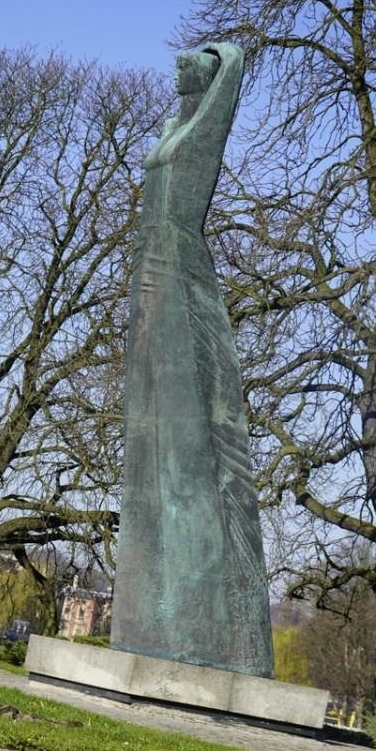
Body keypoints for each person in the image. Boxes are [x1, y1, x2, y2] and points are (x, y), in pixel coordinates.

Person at [110, 42, 273, 677]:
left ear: (205, 77)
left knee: (186, 434)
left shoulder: (201, 130)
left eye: (189, 63)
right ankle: (148, 616)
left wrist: (222, 55)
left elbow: (232, 69)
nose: (176, 67)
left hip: (180, 264)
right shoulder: (170, 128)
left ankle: (204, 624)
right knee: (146, 423)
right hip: (147, 265)